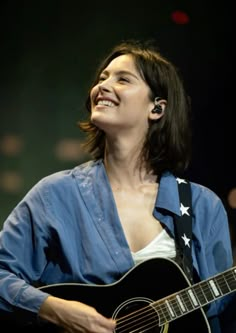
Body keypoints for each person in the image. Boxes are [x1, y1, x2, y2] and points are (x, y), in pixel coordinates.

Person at [0, 39, 234, 333]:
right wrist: (55, 309)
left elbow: (222, 313)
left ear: (157, 109)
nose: (103, 86)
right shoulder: (55, 195)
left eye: (123, 79)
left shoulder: (202, 205)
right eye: (102, 78)